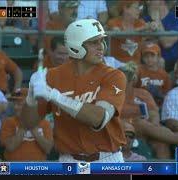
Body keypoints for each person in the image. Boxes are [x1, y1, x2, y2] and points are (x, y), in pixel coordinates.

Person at [23, 19, 127, 162]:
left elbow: (99, 119)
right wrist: (31, 96)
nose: (101, 47)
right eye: (93, 42)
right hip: (69, 160)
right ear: (76, 46)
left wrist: (55, 96)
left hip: (108, 159)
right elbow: (29, 123)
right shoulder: (52, 76)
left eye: (102, 41)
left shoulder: (114, 76)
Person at [119, 62, 178, 159]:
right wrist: (132, 122)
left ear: (132, 81)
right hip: (123, 131)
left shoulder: (143, 94)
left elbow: (154, 114)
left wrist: (152, 125)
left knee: (161, 144)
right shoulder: (112, 95)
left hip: (146, 132)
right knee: (139, 122)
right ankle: (176, 138)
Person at [0, 89, 54, 161]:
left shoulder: (45, 123)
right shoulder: (8, 122)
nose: (15, 107)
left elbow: (48, 149)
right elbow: (10, 147)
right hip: (14, 167)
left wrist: (32, 126)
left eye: (19, 104)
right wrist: (24, 126)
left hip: (38, 167)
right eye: (14, 104)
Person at [144, 0, 178, 72]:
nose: (148, 2)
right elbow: (142, 44)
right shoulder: (145, 20)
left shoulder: (177, 19)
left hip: (172, 65)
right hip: (148, 64)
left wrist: (157, 20)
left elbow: (166, 43)